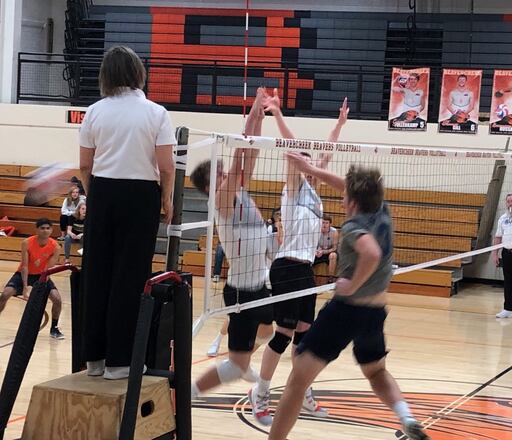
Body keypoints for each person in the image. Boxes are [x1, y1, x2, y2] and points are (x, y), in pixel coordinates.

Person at [267, 158, 430, 440]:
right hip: (375, 312)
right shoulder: (381, 208)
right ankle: (406, 417)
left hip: (347, 311)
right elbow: (350, 186)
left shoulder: (354, 227)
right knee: (376, 372)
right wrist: (313, 171)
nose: (341, 197)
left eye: (345, 196)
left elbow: (371, 253)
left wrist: (352, 284)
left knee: (297, 380)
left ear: (353, 201)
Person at [250, 91, 348, 425]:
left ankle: (301, 393)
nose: (311, 167)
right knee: (283, 334)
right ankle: (261, 393)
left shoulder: (315, 194)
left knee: (304, 337)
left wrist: (339, 124)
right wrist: (277, 114)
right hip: (286, 266)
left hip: (305, 269)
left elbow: (327, 152)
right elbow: (293, 150)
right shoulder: (292, 188)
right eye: (304, 163)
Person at [78, 45, 176, 380]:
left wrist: (95, 195)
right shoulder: (156, 113)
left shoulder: (94, 112)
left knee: (96, 273)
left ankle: (94, 359)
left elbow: (84, 165)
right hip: (140, 195)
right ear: (138, 73)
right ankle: (120, 362)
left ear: (105, 75)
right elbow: (167, 166)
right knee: (130, 277)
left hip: (102, 191)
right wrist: (166, 200)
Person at [190, 88, 275, 396]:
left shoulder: (237, 190)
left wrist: (258, 114)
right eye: (219, 172)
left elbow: (252, 149)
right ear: (210, 185)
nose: (225, 172)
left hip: (260, 284)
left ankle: (243, 358)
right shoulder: (221, 202)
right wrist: (250, 117)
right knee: (235, 368)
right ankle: (188, 393)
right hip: (241, 292)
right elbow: (240, 154)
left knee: (268, 331)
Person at [0, 218, 64, 340]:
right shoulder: (27, 242)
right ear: (37, 230)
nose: (45, 231)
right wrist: (25, 287)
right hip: (23, 274)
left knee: (57, 299)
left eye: (48, 228)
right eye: (42, 228)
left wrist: (40, 285)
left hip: (41, 276)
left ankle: (54, 328)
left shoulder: (55, 246)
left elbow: (48, 269)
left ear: (51, 230)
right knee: (5, 294)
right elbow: (24, 266)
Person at [314, 215, 339, 282]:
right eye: (323, 222)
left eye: (326, 223)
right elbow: (311, 245)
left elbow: (334, 248)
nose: (324, 225)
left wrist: (324, 251)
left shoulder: (334, 232)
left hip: (329, 252)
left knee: (333, 255)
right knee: (308, 256)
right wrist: (316, 251)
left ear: (330, 224)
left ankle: (330, 279)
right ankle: (308, 278)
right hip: (318, 252)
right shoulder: (316, 230)